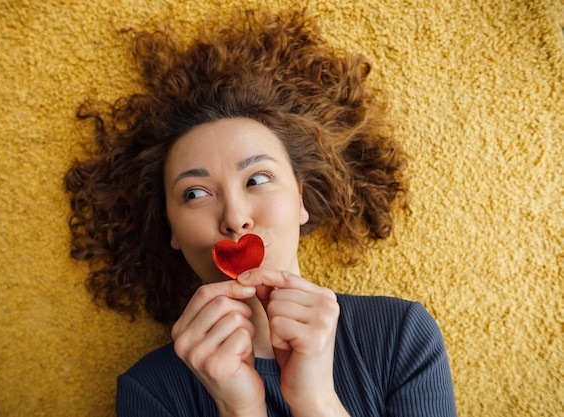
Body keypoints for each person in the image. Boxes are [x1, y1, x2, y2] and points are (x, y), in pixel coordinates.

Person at [65, 8, 457, 417]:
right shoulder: (149, 392)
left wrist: (315, 400)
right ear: (172, 229)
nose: (234, 218)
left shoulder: (402, 334)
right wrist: (240, 410)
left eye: (257, 180)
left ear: (301, 201)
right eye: (195, 193)